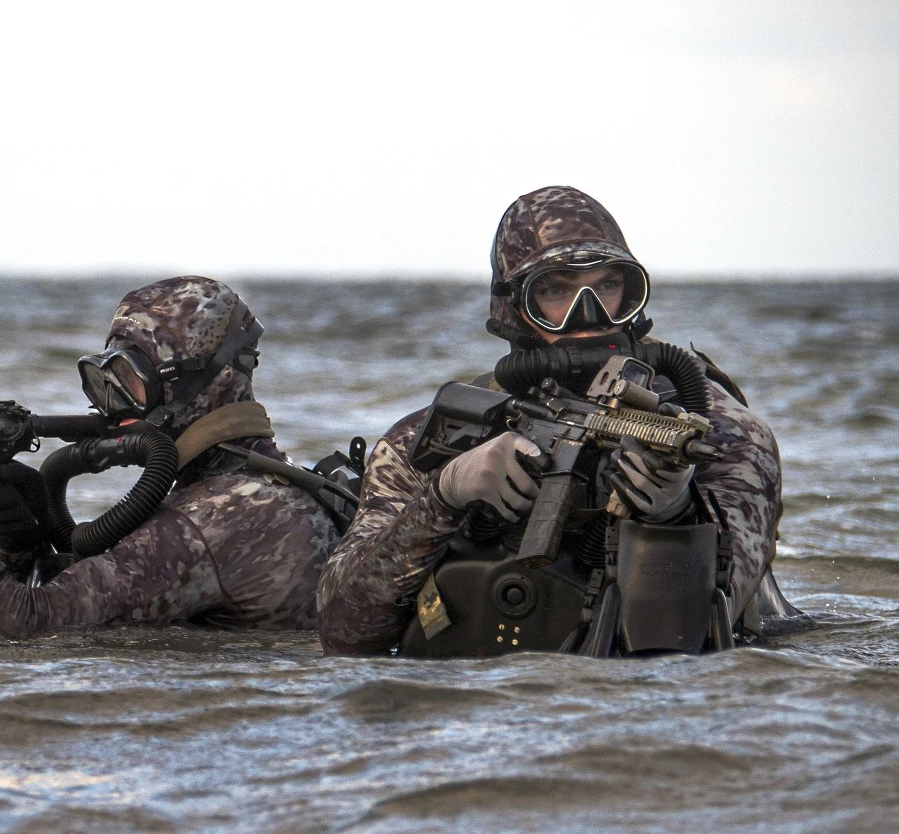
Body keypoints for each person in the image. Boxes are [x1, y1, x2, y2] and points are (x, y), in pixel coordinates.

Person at [317, 185, 792, 656]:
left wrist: (676, 518)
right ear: (513, 307)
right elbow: (343, 631)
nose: (590, 314)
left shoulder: (724, 432)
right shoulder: (430, 435)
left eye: (608, 286)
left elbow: (710, 635)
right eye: (555, 290)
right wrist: (444, 495)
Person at [0, 276, 339, 640]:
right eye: (104, 380)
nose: (116, 407)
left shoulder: (216, 520)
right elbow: (95, 611)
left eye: (131, 381)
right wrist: (27, 545)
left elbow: (26, 630)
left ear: (202, 386)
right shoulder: (249, 497)